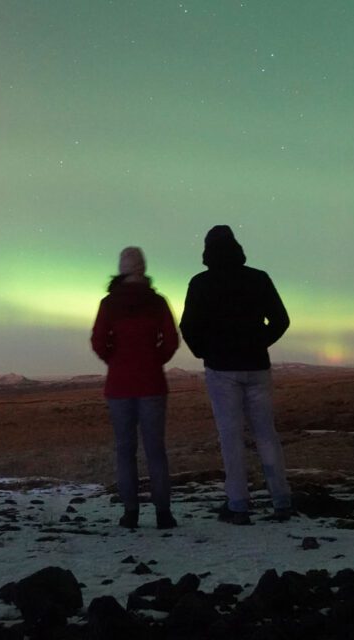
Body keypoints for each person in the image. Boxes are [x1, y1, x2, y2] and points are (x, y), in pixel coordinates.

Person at [180, 225, 291, 524]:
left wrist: (206, 352)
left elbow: (188, 326)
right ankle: (280, 499)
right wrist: (259, 342)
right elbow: (281, 320)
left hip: (221, 369)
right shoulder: (258, 278)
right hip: (257, 366)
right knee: (266, 434)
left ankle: (238, 504)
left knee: (231, 437)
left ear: (207, 251)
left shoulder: (200, 283)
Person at [91, 246, 180, 530]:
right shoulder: (157, 302)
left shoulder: (109, 303)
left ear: (121, 269)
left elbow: (97, 341)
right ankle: (163, 514)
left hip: (119, 386)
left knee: (125, 451)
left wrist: (114, 360)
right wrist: (155, 360)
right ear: (143, 268)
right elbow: (170, 340)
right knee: (155, 450)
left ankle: (130, 513)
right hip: (152, 383)